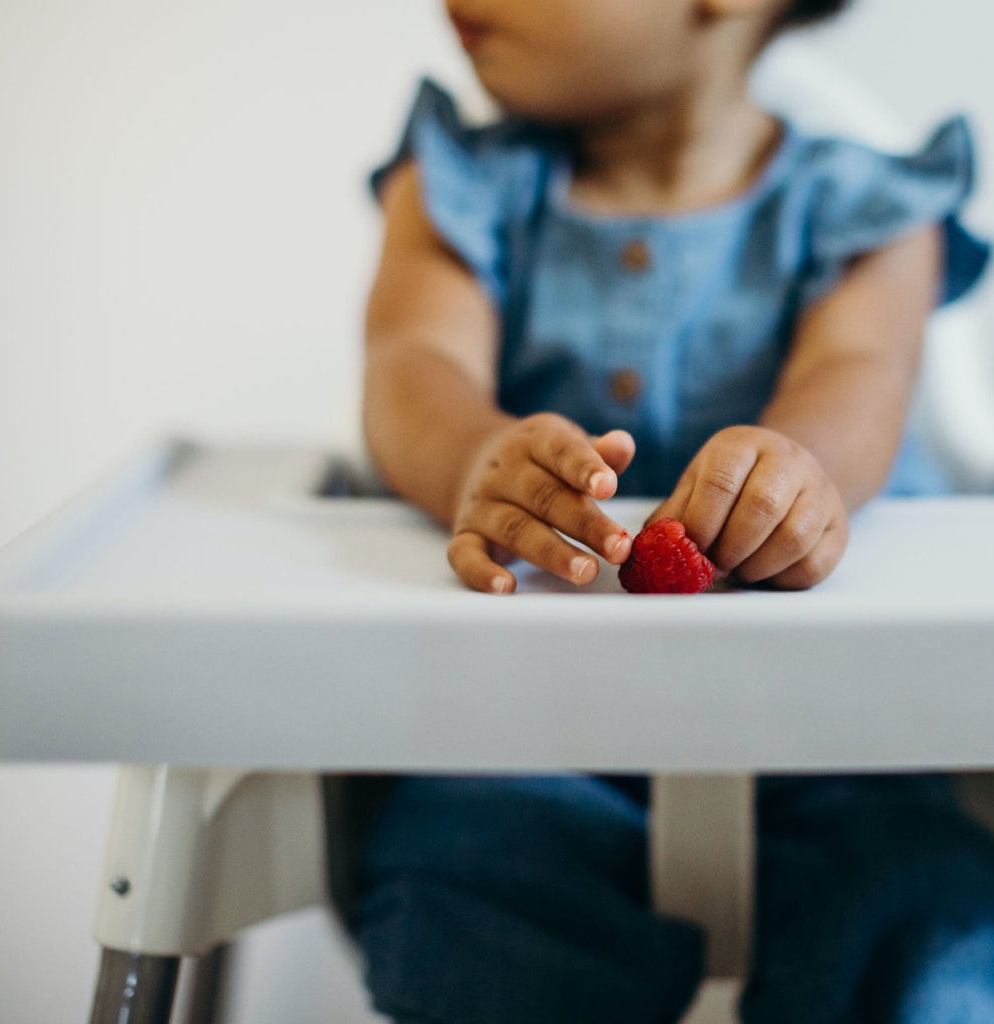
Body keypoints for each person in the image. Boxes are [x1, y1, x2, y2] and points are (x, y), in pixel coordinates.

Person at [335, 1, 994, 1022]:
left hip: (834, 748)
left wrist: (799, 468)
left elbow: (861, 371)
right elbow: (409, 363)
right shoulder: (456, 184)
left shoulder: (871, 209)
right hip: (522, 741)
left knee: (937, 934)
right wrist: (474, 454)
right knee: (466, 911)